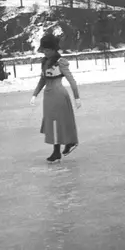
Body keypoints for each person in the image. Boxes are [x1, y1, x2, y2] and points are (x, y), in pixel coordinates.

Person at [30, 33, 82, 163]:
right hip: (48, 97)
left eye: (48, 50)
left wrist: (77, 97)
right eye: (44, 50)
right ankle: (57, 150)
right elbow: (42, 80)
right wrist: (34, 94)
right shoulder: (45, 62)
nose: (45, 53)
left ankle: (62, 147)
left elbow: (72, 81)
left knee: (58, 123)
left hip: (59, 95)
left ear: (54, 49)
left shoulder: (60, 63)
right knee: (52, 123)